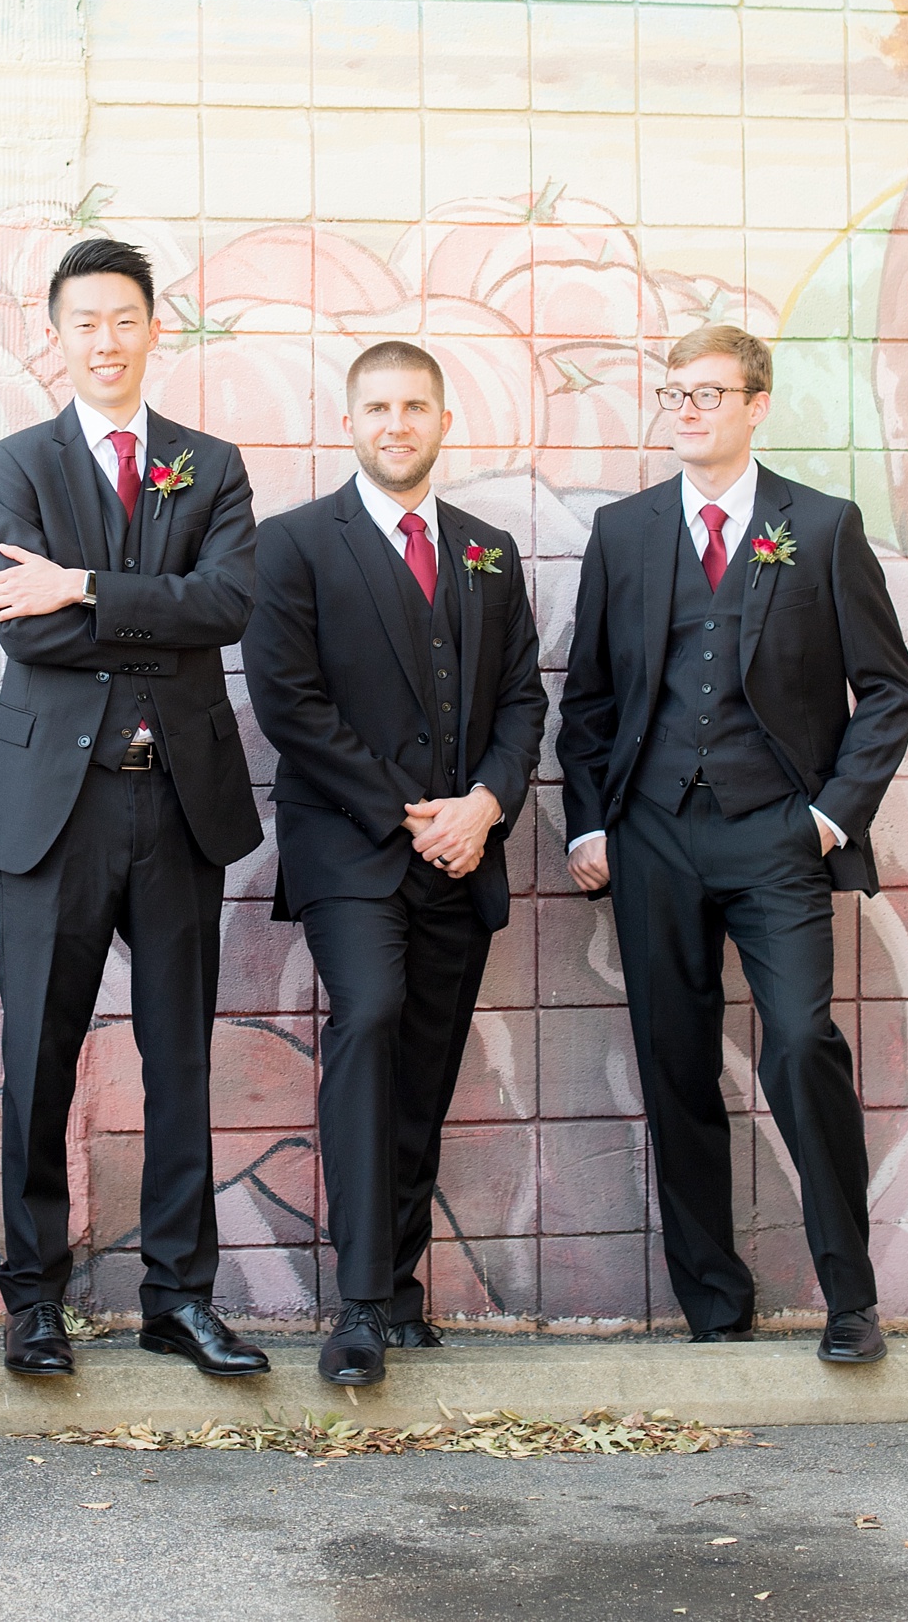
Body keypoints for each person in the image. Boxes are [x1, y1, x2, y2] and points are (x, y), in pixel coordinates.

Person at [557, 324, 908, 1362]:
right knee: (673, 1065)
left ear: (755, 403)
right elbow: (585, 698)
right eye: (672, 393)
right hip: (652, 837)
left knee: (803, 1043)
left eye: (707, 394)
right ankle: (712, 1302)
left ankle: (849, 1299)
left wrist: (827, 813)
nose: (686, 410)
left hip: (776, 835)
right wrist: (589, 821)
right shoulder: (622, 534)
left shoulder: (820, 526)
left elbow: (886, 691)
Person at [0, 237, 270, 1380]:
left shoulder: (212, 464)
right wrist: (153, 604)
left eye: (123, 319)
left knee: (179, 1054)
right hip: (54, 807)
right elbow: (25, 628)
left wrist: (84, 582)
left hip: (179, 801)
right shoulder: (18, 463)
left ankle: (177, 1298)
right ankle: (33, 1299)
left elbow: (228, 602)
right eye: (83, 322)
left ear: (153, 330)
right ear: (57, 335)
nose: (104, 340)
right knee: (40, 1055)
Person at [244, 341, 546, 1387]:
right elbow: (290, 703)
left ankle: (403, 1291)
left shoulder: (488, 551)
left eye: (414, 405)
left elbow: (520, 700)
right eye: (376, 406)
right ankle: (360, 1305)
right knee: (368, 1020)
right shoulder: (291, 547)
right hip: (349, 850)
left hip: (464, 851)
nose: (396, 423)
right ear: (349, 420)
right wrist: (410, 814)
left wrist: (485, 805)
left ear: (441, 419)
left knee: (426, 1063)